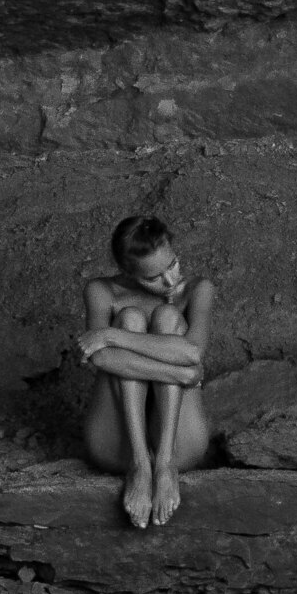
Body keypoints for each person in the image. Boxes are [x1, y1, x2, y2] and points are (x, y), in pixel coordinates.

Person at [77, 213, 214, 527]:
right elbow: (100, 359)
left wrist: (111, 336)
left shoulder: (198, 289)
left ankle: (164, 465)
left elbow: (193, 352)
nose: (170, 280)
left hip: (181, 444)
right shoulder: (102, 291)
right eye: (153, 277)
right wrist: (180, 374)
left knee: (167, 317)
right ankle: (140, 464)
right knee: (131, 317)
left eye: (173, 264)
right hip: (116, 444)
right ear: (127, 271)